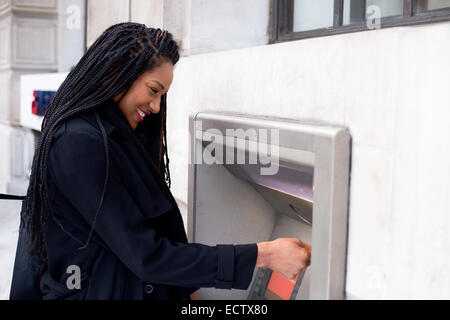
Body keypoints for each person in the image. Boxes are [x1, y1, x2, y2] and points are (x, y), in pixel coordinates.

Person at [21, 22, 311, 300]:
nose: (157, 105)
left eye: (162, 95)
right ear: (118, 73)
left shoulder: (113, 139)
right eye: (153, 90)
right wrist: (265, 255)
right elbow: (147, 256)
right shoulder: (79, 142)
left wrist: (183, 289)